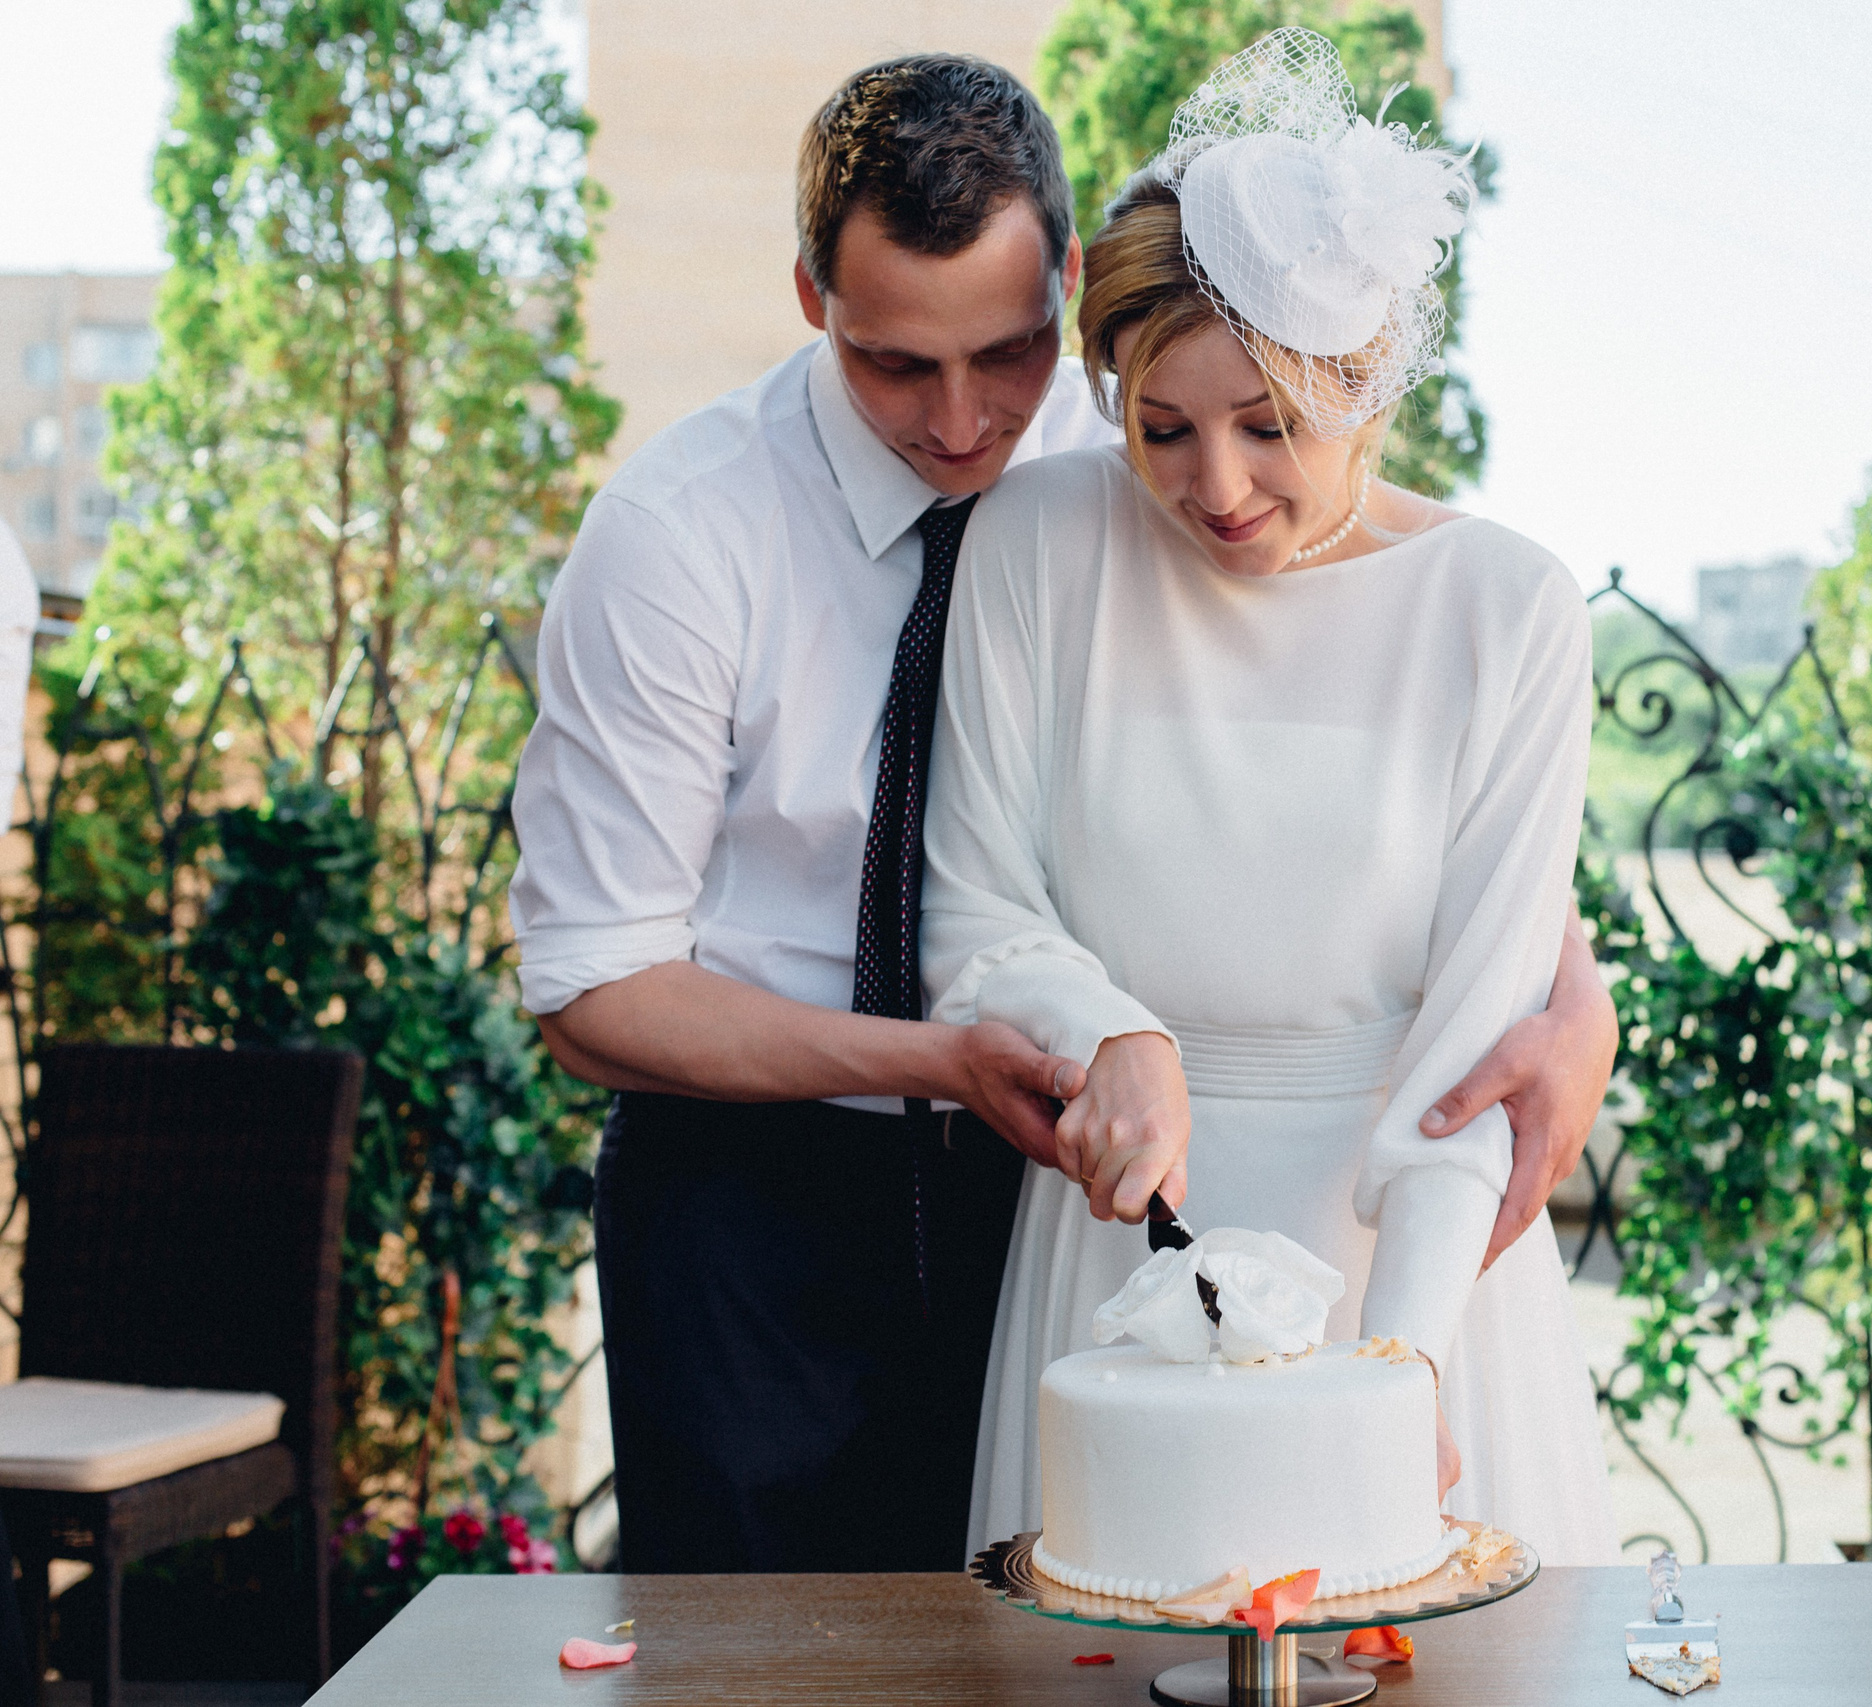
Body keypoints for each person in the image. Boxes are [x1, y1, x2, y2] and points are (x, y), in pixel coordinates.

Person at [509, 52, 1617, 1574]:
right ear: (810, 298)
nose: (965, 423)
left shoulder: (1130, 452)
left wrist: (1571, 982)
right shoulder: (680, 541)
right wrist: (985, 1053)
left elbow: (1377, 809)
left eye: (1013, 354)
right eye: (897, 363)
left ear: (1070, 291)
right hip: (770, 1201)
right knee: (766, 1656)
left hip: (1044, 1179)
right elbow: (588, 988)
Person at [927, 30, 1616, 1565]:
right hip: (1118, 1263)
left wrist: (1404, 1374)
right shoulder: (1037, 542)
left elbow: (1474, 1052)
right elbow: (974, 902)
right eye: (1160, 429)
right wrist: (1112, 1030)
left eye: (1270, 427)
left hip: (1405, 1269)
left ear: (1367, 381)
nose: (1218, 486)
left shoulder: (1508, 610)